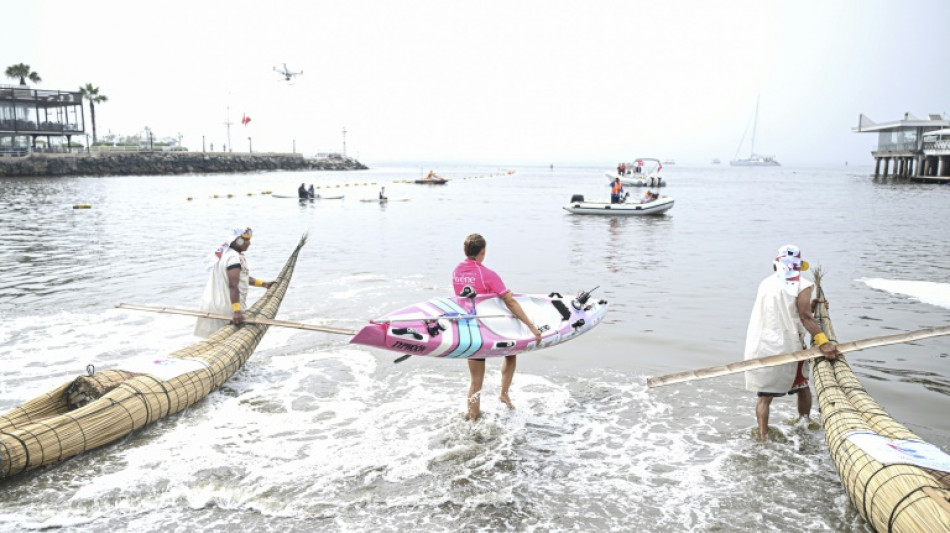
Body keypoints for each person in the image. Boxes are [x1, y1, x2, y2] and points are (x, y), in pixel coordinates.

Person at [744, 245, 838, 441]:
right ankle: (804, 423)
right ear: (798, 267)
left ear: (776, 265)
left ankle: (763, 437)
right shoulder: (803, 285)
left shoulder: (766, 283)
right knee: (803, 387)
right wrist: (824, 342)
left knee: (765, 397)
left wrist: (810, 305)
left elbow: (783, 310)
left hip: (763, 344)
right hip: (789, 345)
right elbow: (805, 317)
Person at [452, 233, 542, 420]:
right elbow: (510, 302)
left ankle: (473, 418)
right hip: (491, 327)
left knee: (476, 382)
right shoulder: (488, 274)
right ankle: (504, 393)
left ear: (464, 251)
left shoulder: (456, 272)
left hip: (470, 330)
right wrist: (532, 327)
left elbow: (470, 295)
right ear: (483, 252)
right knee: (511, 352)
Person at [194, 227, 274, 337]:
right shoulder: (233, 258)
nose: (248, 243)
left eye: (249, 240)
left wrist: (264, 284)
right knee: (223, 342)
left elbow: (244, 277)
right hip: (225, 309)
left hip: (213, 305)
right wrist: (236, 312)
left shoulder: (226, 255)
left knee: (215, 341)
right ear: (236, 240)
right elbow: (233, 285)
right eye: (245, 240)